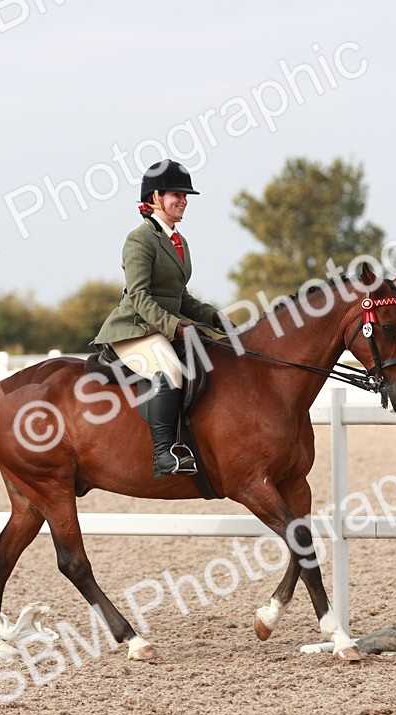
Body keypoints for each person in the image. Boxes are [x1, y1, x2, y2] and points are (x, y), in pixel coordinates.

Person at [93, 159, 230, 479]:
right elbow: (140, 297)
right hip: (134, 327)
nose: (183, 200)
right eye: (176, 194)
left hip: (163, 326)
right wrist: (178, 326)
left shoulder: (179, 242)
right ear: (155, 198)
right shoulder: (139, 239)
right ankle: (163, 454)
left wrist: (213, 316)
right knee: (168, 369)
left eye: (186, 195)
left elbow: (180, 297)